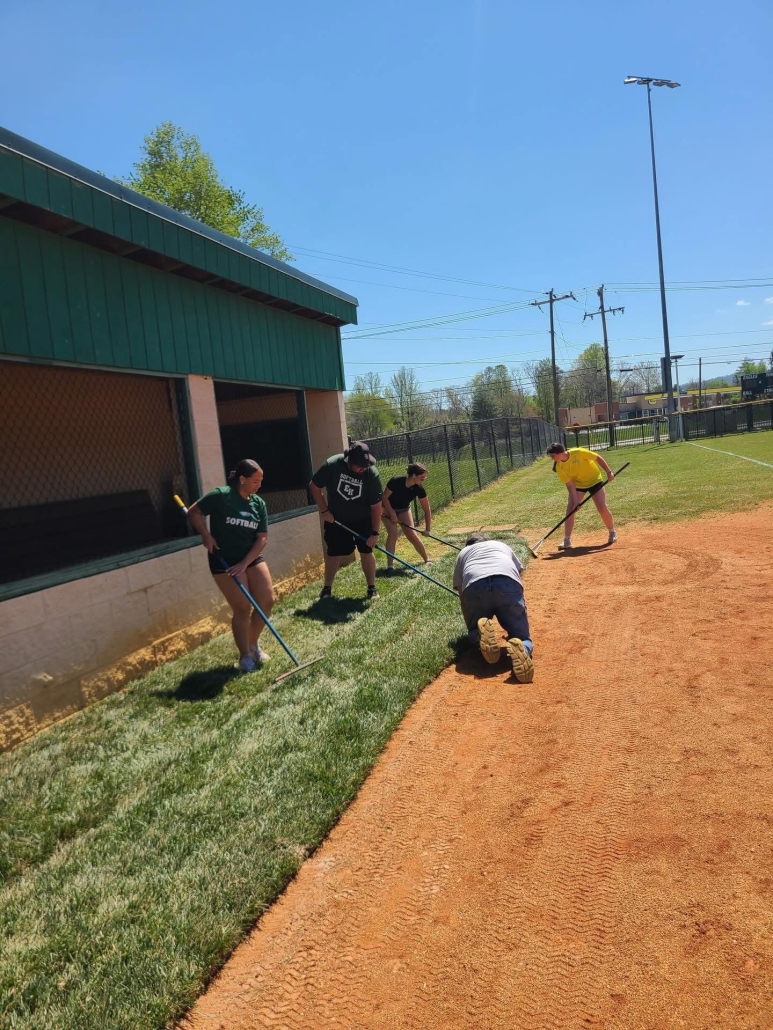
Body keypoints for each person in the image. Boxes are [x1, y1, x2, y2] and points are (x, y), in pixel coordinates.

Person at [186, 459, 274, 673]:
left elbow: (261, 538)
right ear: (242, 479)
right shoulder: (221, 496)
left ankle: (253, 644)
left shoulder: (258, 504)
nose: (259, 485)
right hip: (224, 560)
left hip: (249, 558)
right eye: (255, 480)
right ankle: (244, 656)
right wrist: (206, 536)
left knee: (267, 601)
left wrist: (245, 563)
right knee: (243, 607)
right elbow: (193, 512)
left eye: (261, 481)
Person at [452, 534, 534, 683]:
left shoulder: (462, 553)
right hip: (507, 583)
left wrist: (471, 626)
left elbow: (462, 597)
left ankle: (479, 636)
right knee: (523, 637)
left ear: (467, 545)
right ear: (486, 541)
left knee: (475, 630)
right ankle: (521, 646)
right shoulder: (501, 545)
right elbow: (518, 573)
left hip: (475, 587)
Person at [309, 441, 384, 601]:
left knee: (366, 551)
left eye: (365, 465)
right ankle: (327, 589)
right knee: (333, 552)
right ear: (349, 461)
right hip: (336, 519)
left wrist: (375, 533)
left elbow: (377, 506)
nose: (363, 468)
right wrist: (324, 511)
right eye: (359, 466)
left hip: (363, 519)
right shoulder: (332, 465)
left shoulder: (372, 474)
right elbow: (314, 486)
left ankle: (372, 588)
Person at [545, 443, 617, 549]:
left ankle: (612, 532)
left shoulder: (578, 452)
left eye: (553, 456)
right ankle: (567, 540)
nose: (552, 458)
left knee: (602, 507)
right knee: (570, 510)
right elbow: (570, 485)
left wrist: (609, 472)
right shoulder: (559, 467)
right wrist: (575, 502)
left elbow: (597, 457)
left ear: (560, 452)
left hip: (595, 480)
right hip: (578, 484)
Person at [382, 462, 432, 570]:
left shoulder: (419, 488)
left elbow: (427, 510)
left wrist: (428, 529)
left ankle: (427, 559)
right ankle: (390, 566)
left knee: (412, 534)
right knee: (393, 534)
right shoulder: (396, 481)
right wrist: (392, 513)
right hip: (387, 508)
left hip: (404, 509)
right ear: (414, 475)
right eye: (422, 478)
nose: (423, 480)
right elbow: (384, 498)